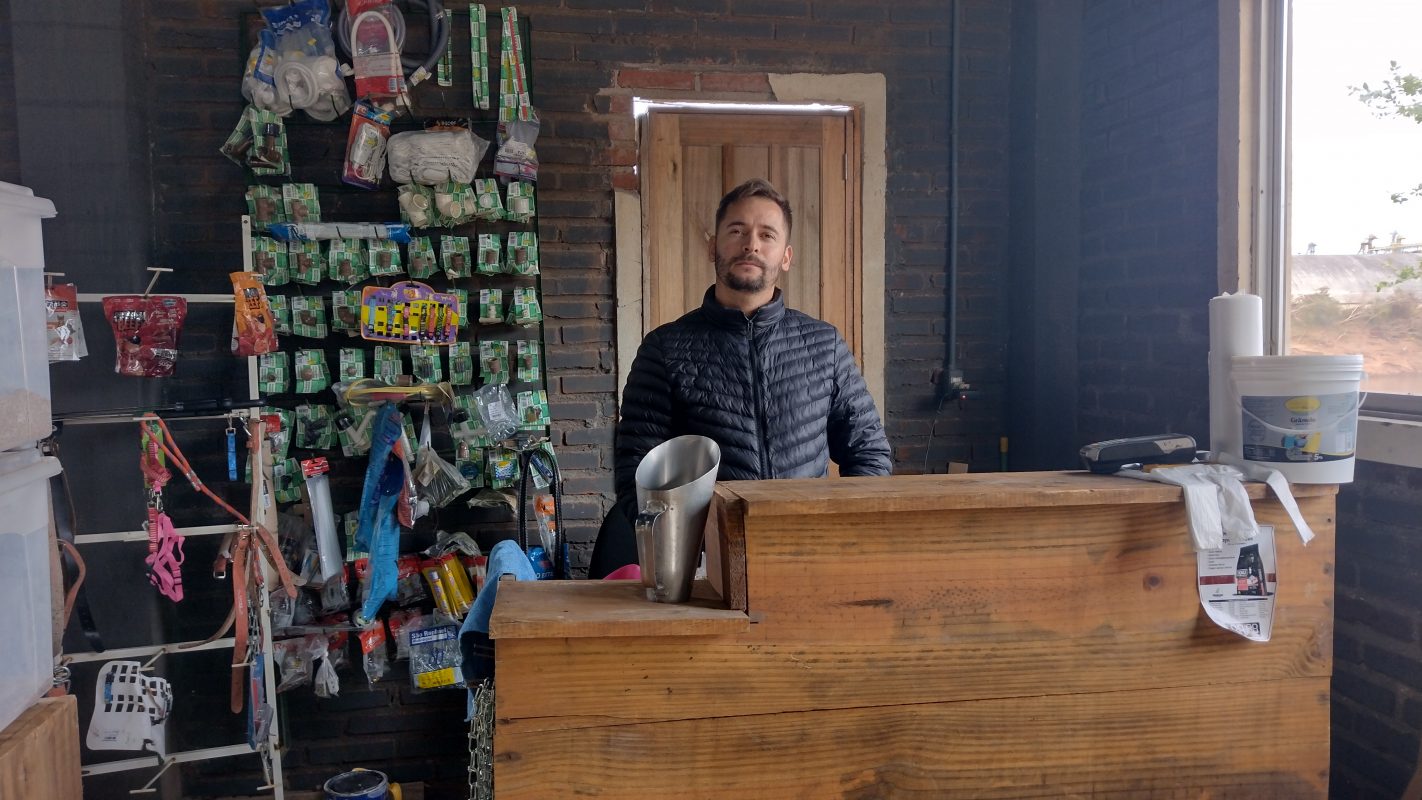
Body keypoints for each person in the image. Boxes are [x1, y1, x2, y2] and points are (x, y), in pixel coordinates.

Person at [589, 178, 892, 578]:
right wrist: (689, 553)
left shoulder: (824, 345)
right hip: (709, 572)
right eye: (737, 231)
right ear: (713, 246)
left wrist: (840, 537)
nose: (751, 244)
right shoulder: (665, 349)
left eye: (766, 234)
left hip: (811, 561)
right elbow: (637, 474)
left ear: (785, 257)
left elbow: (869, 453)